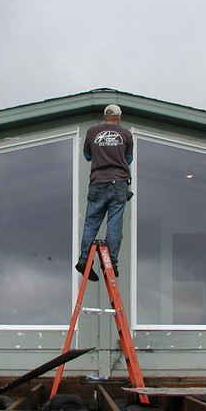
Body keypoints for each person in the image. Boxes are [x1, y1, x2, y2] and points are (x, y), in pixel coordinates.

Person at [75, 104, 134, 281]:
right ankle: (111, 263)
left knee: (91, 223)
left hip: (97, 182)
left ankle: (85, 260)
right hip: (119, 183)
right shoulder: (125, 134)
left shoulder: (92, 131)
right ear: (119, 117)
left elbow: (87, 156)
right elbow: (129, 158)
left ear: (105, 116)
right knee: (114, 223)